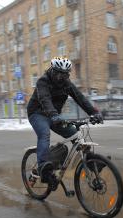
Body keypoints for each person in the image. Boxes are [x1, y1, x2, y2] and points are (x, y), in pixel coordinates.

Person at [27, 57, 103, 188]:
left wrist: (94, 112)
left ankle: (91, 162)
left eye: (65, 74)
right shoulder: (43, 82)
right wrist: (54, 115)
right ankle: (43, 168)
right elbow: (45, 99)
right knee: (44, 134)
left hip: (54, 116)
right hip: (37, 114)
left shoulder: (66, 83)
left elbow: (80, 98)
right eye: (59, 73)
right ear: (52, 70)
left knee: (75, 134)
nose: (61, 77)